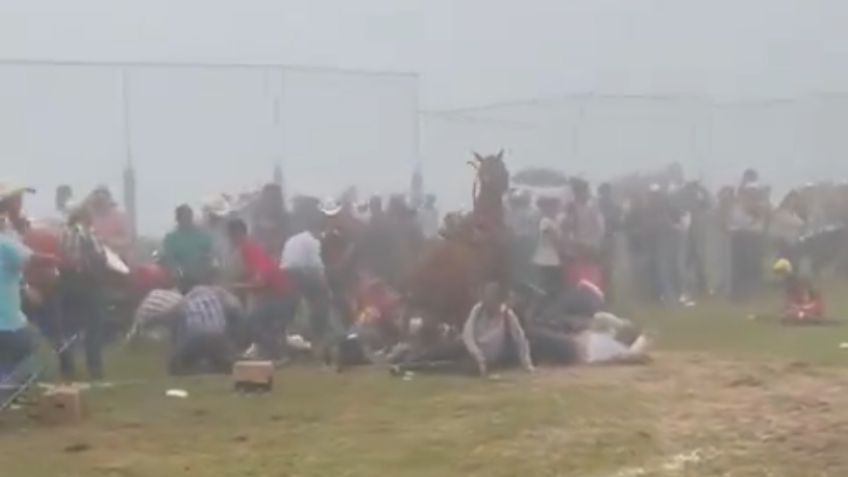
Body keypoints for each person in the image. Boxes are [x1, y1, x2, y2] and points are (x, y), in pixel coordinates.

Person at [227, 218, 295, 360]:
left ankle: (278, 354)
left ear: (238, 233)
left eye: (231, 235)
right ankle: (272, 351)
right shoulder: (251, 248)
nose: (230, 239)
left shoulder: (249, 249)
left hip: (281, 296)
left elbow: (260, 281)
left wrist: (237, 286)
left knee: (251, 323)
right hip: (281, 295)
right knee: (261, 322)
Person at [58, 207, 109, 380]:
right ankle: (95, 367)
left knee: (68, 326)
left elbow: (62, 255)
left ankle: (67, 367)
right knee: (93, 326)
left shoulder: (63, 232)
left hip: (68, 282)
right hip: (89, 283)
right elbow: (101, 255)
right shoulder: (88, 233)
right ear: (85, 218)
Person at [167, 285, 245, 375]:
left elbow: (174, 317)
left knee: (175, 366)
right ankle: (219, 364)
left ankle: (200, 367)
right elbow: (236, 308)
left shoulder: (185, 299)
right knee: (229, 361)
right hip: (218, 337)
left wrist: (176, 347)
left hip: (195, 338)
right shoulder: (219, 293)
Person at [462, 282, 534, 376]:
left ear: (498, 299)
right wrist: (477, 355)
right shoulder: (477, 310)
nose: (488, 299)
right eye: (486, 295)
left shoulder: (507, 314)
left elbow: (520, 339)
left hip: (496, 356)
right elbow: (467, 335)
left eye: (492, 296)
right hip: (473, 351)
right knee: (448, 350)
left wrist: (527, 363)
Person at [281, 222, 331, 349]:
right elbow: (316, 266)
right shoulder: (313, 241)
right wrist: (326, 286)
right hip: (298, 274)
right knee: (322, 300)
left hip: (283, 275)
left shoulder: (293, 238)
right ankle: (318, 335)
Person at [161, 205, 214, 293]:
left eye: (188, 216)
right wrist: (178, 272)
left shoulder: (203, 236)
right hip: (182, 282)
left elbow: (210, 255)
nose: (186, 219)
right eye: (183, 217)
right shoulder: (171, 239)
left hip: (203, 280)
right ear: (177, 219)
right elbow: (170, 260)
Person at [772, 258, 825, 323]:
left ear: (785, 272)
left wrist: (791, 308)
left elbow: (804, 298)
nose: (778, 276)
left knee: (792, 315)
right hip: (802, 307)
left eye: (779, 273)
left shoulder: (796, 282)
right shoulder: (789, 283)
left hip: (809, 306)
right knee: (787, 314)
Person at [87, 186, 132, 259]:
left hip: (117, 259)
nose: (99, 205)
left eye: (101, 201)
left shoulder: (120, 216)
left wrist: (106, 240)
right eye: (97, 202)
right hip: (94, 258)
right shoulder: (90, 217)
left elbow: (127, 241)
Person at [532, 197, 563, 302]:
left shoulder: (556, 221)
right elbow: (553, 238)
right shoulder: (545, 221)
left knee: (552, 291)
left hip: (554, 260)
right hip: (546, 260)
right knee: (543, 290)